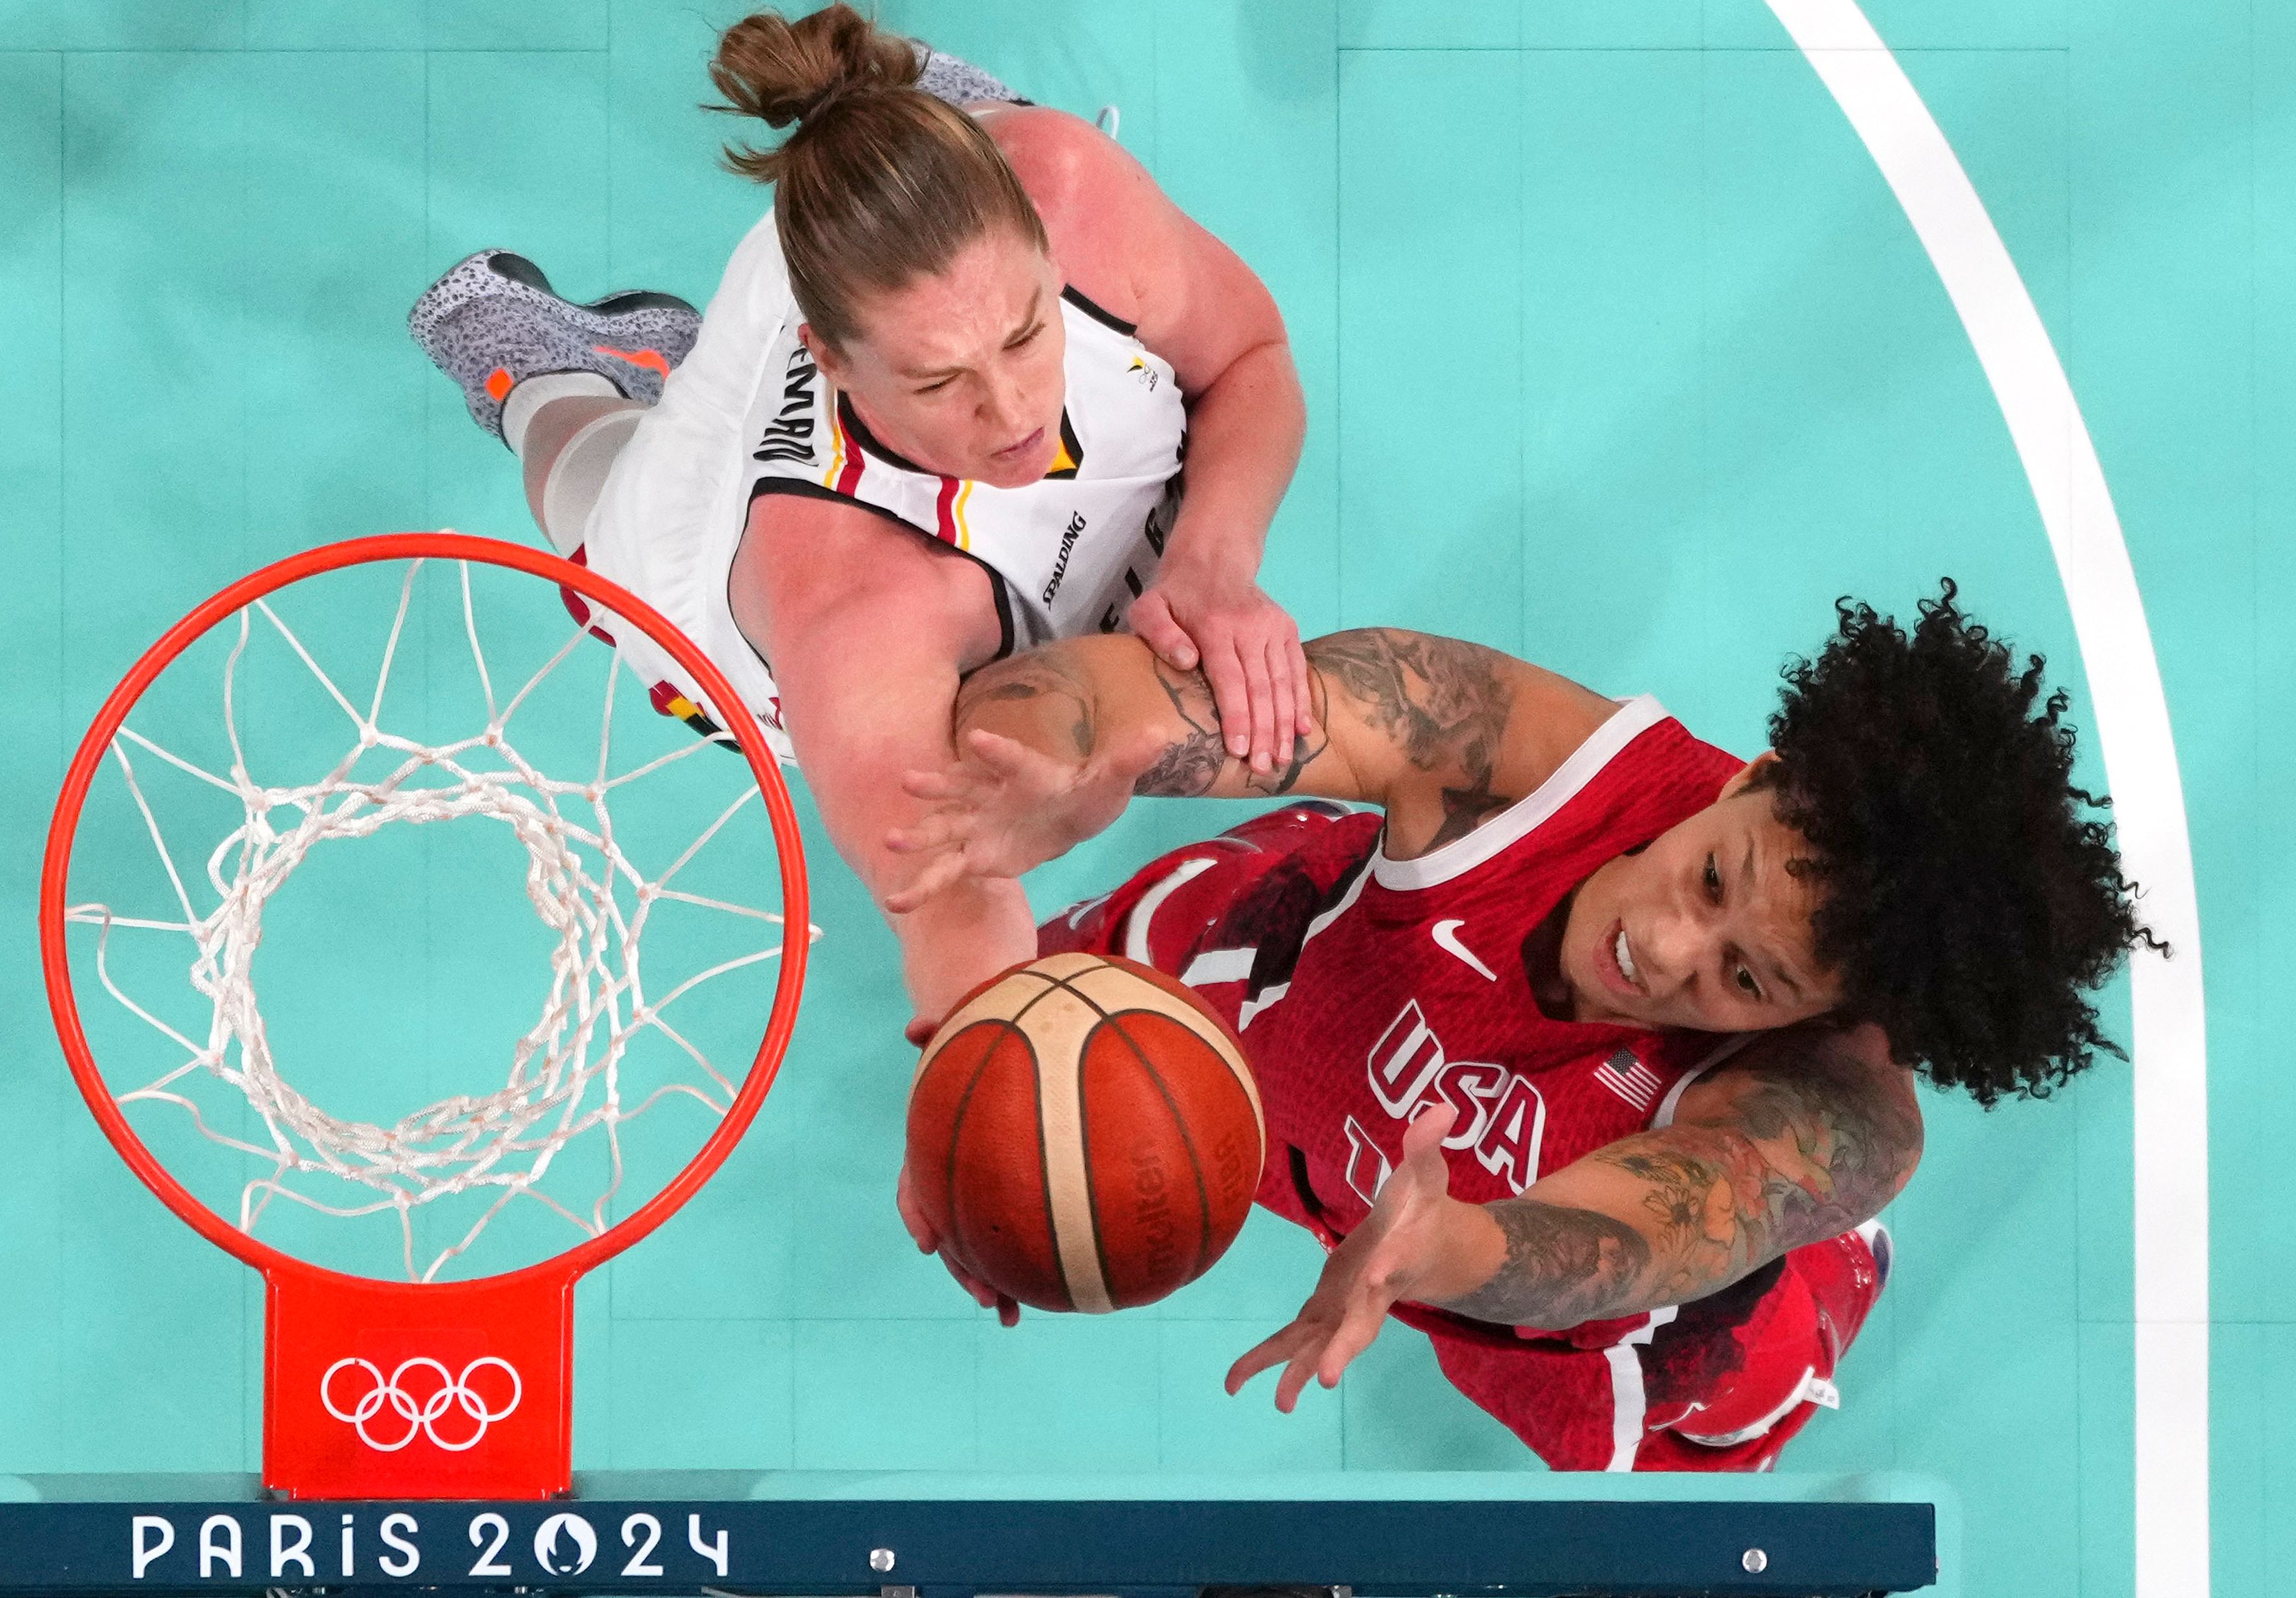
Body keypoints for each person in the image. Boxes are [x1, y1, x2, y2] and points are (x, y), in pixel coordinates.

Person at [883, 586, 2152, 1468]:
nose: (1662, 947)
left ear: (1837, 1015)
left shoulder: (1838, 1111)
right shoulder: (1513, 749)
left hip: (1550, 1277)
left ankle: (1782, 1325)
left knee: (1721, 1380)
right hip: (1313, 1003)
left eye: (1747, 980)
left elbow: (1656, 1225)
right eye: (1713, 881)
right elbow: (1143, 696)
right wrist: (1059, 753)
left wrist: (1450, 1244)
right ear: (1758, 777)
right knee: (1080, 1011)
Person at [407, 5, 1311, 1032]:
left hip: (889, 273)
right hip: (714, 543)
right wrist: (1001, 1077)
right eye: (946, 385)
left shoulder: (1066, 189)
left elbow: (1250, 360)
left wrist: (1214, 564)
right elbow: (950, 906)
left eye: (1027, 336)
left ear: (1047, 263)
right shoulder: (856, 617)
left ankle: (902, 118)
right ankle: (542, 365)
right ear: (830, 363)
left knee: (1007, 174)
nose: (1013, 414)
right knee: (600, 504)